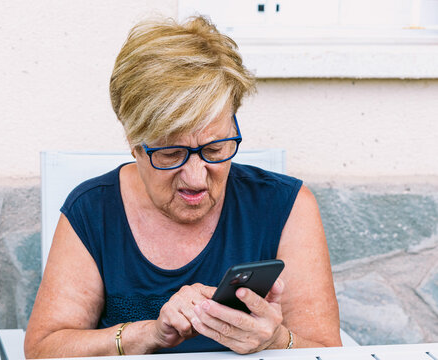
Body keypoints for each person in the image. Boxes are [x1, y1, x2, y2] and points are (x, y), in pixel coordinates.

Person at [24, 16, 341, 358]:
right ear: (135, 144)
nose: (196, 178)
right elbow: (44, 349)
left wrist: (275, 341)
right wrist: (148, 334)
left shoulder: (286, 206)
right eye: (171, 153)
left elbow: (327, 350)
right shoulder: (92, 210)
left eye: (215, 150)